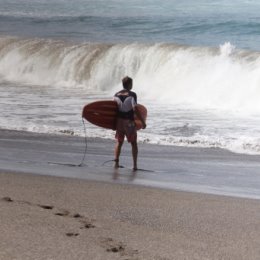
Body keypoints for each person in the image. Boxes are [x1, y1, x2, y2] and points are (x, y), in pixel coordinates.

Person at [113, 76, 146, 171]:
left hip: (119, 122)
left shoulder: (116, 94)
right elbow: (135, 109)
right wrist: (142, 122)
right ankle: (135, 165)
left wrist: (112, 124)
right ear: (130, 84)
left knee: (119, 142)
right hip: (129, 123)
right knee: (134, 143)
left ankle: (116, 163)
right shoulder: (132, 94)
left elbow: (113, 109)